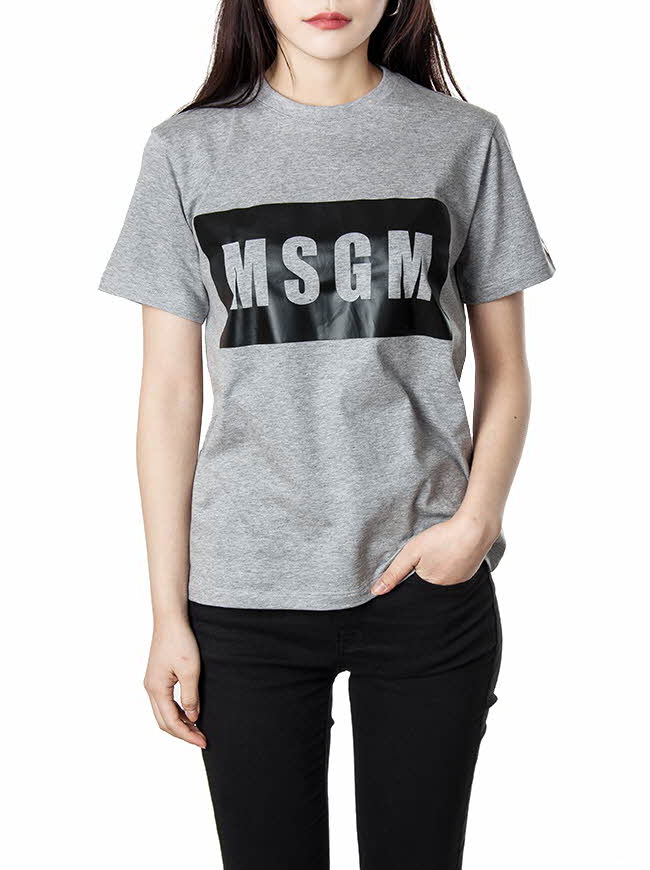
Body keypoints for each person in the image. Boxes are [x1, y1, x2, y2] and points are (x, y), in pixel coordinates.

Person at [100, 1, 554, 867]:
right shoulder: (186, 150)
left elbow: (508, 367)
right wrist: (166, 614)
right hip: (245, 592)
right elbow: (167, 397)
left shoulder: (464, 139)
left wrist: (475, 525)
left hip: (424, 582)